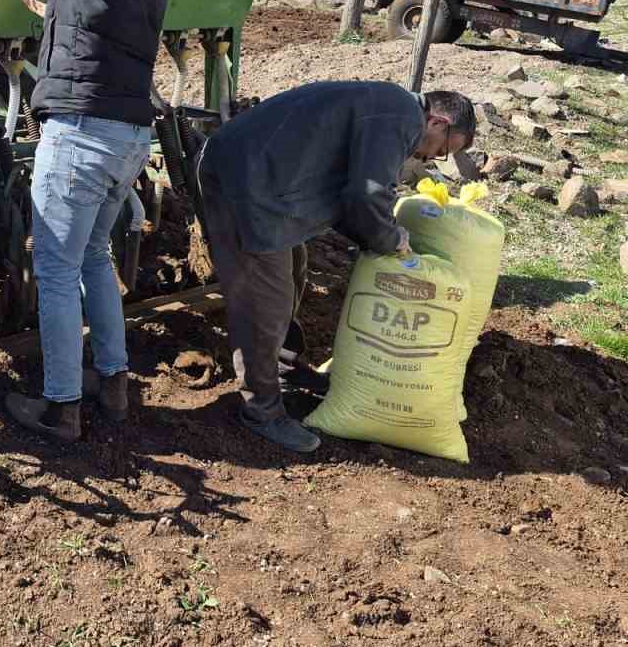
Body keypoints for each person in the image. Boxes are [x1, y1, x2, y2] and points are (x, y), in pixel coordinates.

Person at [0, 0, 168, 443]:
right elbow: (98, 20)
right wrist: (50, 11)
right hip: (128, 139)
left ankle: (62, 406)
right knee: (93, 254)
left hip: (83, 133)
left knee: (57, 268)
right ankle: (113, 382)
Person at [195, 82, 476, 454]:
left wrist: (372, 235)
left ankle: (282, 367)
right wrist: (391, 239)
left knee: (294, 272)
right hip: (243, 183)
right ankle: (261, 409)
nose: (432, 158)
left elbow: (348, 191)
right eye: (443, 149)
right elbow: (367, 194)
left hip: (264, 179)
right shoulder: (402, 116)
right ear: (438, 122)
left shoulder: (390, 107)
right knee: (267, 302)